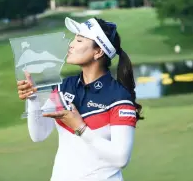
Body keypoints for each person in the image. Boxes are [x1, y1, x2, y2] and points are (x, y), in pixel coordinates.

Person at [16, 17, 143, 181]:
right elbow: (38, 134)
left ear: (98, 52)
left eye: (79, 40)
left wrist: (80, 127)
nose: (71, 45)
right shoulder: (64, 86)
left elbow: (121, 158)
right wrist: (33, 98)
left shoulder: (118, 97)